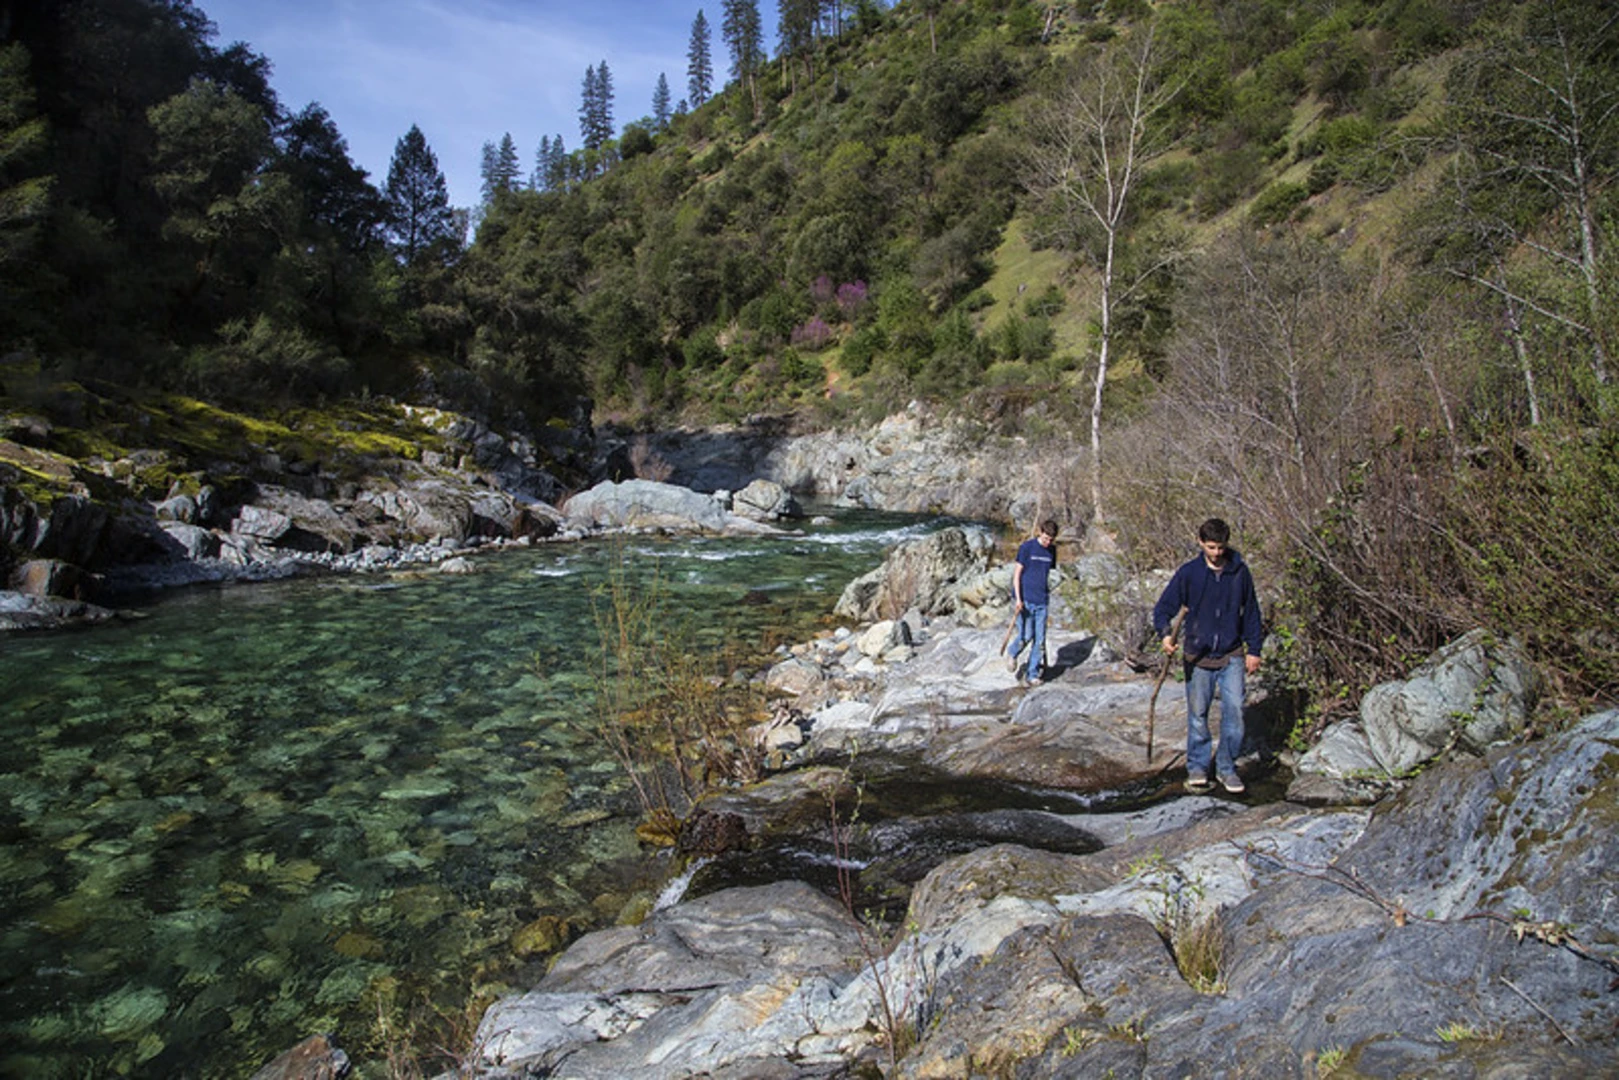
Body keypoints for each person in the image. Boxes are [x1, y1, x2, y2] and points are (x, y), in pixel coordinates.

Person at [1152, 517, 1263, 794]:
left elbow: (1251, 612)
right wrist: (1166, 634)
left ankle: (1227, 768)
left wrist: (1255, 650)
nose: (1216, 553)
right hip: (1198, 657)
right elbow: (1163, 608)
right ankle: (1198, 767)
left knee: (1235, 712)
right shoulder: (1189, 573)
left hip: (1232, 654)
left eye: (1220, 547)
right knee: (1198, 715)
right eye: (1211, 547)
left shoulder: (1239, 572)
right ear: (1200, 543)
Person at [1006, 520, 1059, 683]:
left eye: (1050, 539)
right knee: (1027, 634)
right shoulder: (1027, 548)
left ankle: (1033, 674)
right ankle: (1012, 652)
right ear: (1040, 532)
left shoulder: (1051, 551)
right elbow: (1017, 574)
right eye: (1045, 538)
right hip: (1025, 600)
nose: (1047, 542)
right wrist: (1018, 599)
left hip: (1042, 600)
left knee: (1040, 640)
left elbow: (1048, 573)